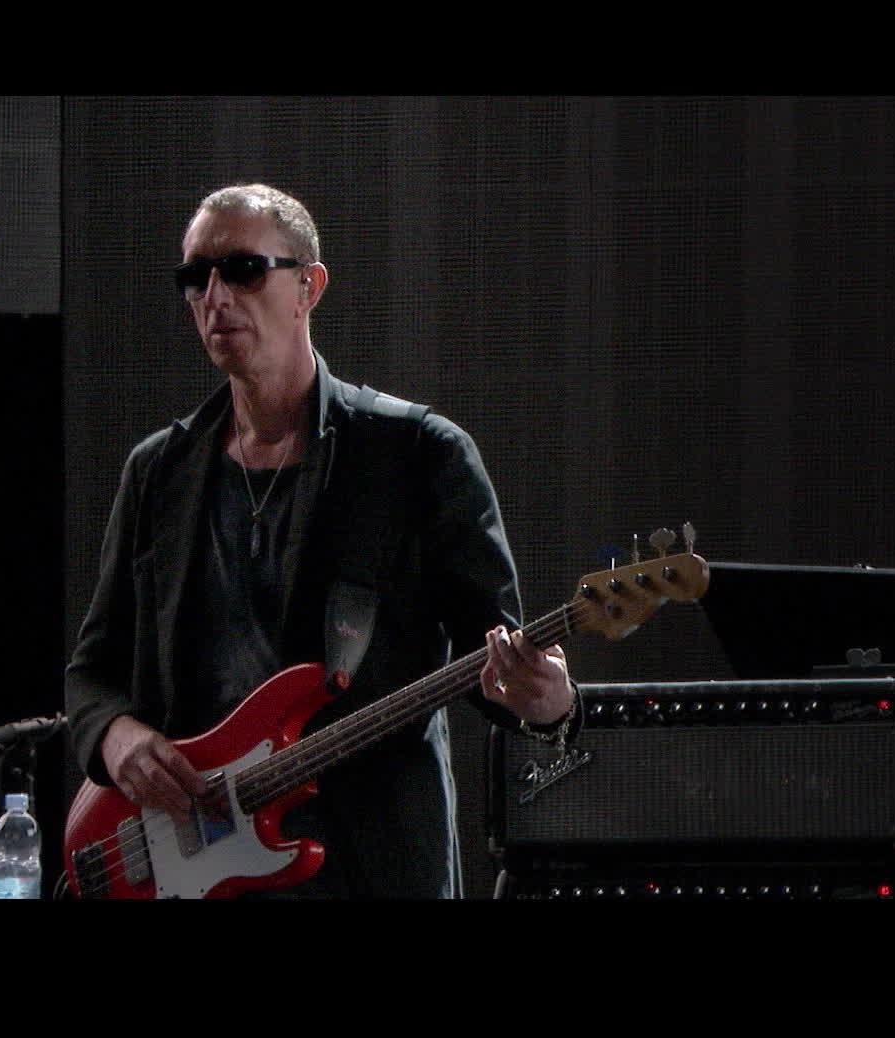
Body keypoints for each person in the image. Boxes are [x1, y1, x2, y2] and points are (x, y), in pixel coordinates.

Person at [64, 183, 582, 899]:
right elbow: (92, 672)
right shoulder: (159, 471)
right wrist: (116, 737)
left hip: (367, 868)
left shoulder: (416, 454)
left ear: (309, 286)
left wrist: (549, 704)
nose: (215, 297)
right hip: (192, 861)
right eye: (196, 277)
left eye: (243, 270)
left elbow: (494, 660)